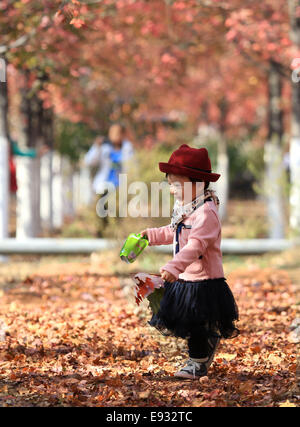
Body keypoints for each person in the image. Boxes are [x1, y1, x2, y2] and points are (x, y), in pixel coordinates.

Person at [140, 144, 239, 380]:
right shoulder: (186, 208)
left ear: (198, 183)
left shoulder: (206, 213)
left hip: (204, 281)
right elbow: (173, 232)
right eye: (170, 184)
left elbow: (196, 245)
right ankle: (203, 348)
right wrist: (150, 236)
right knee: (186, 320)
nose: (172, 191)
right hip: (185, 277)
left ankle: (198, 362)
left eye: (176, 185)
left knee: (196, 322)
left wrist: (173, 266)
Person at [84, 123, 134, 194]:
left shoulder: (128, 148)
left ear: (122, 134)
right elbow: (89, 161)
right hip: (104, 187)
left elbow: (132, 168)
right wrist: (96, 147)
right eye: (112, 132)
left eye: (117, 132)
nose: (114, 135)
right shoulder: (104, 148)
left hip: (121, 189)